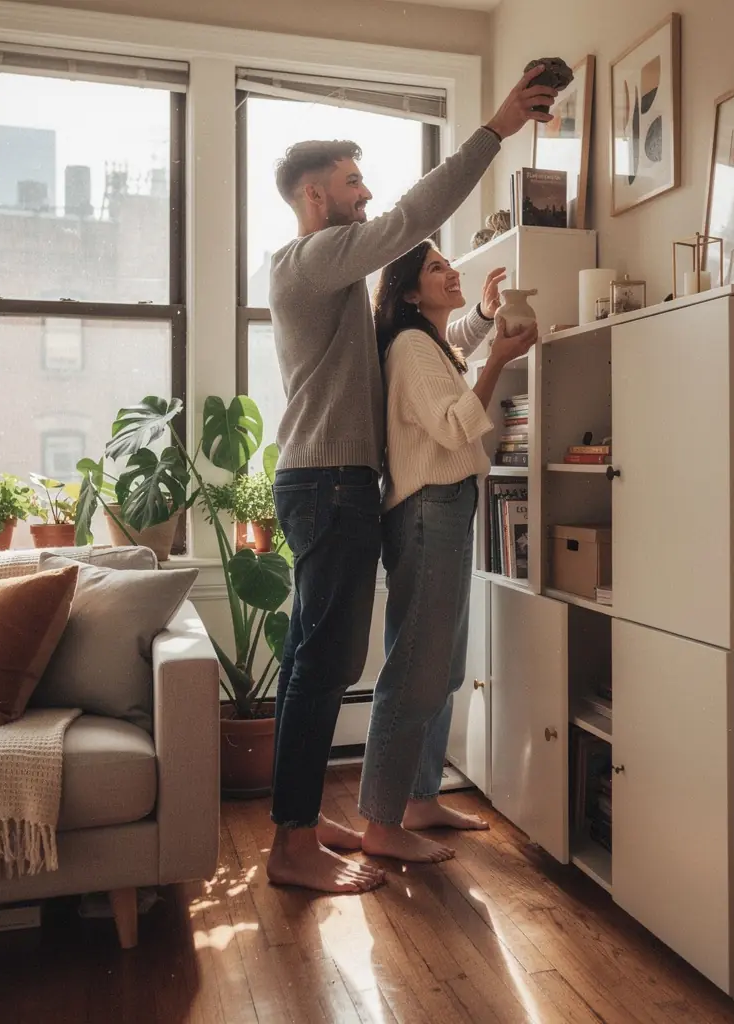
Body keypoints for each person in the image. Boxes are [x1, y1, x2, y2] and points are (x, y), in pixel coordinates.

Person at [266, 67, 557, 895]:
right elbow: (413, 219)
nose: (368, 194)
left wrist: (476, 325)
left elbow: (411, 341)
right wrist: (495, 129)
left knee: (310, 660)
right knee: (326, 664)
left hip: (328, 481)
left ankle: (297, 820)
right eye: (353, 182)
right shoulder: (315, 258)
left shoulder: (329, 282)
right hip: (328, 482)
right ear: (317, 196)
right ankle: (291, 846)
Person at [359, 242, 537, 862]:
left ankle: (418, 799)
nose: (450, 272)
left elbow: (457, 350)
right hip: (429, 510)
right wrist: (498, 360)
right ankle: (382, 823)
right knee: (416, 671)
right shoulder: (411, 347)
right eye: (437, 269)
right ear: (410, 292)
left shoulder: (431, 343)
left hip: (446, 507)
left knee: (444, 668)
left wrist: (486, 324)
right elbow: (457, 424)